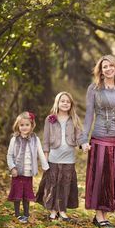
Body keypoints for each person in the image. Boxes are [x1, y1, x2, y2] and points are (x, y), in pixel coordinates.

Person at [82, 55, 115, 228]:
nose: (108, 69)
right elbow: (89, 115)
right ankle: (100, 216)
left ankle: (103, 215)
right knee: (101, 177)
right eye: (104, 67)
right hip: (100, 138)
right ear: (100, 71)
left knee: (113, 177)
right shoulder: (94, 89)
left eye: (110, 66)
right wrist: (84, 139)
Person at [36, 92, 83, 221]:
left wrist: (83, 145)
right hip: (53, 158)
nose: (65, 103)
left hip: (69, 158)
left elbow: (79, 136)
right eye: (63, 101)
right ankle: (52, 211)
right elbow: (45, 140)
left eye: (68, 101)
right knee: (53, 184)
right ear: (57, 103)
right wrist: (45, 157)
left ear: (71, 104)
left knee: (65, 184)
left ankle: (62, 211)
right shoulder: (50, 119)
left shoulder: (74, 119)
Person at [7, 111, 49, 223]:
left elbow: (40, 152)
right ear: (18, 126)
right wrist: (12, 168)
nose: (24, 127)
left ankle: (26, 214)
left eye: (27, 125)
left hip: (28, 173)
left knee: (27, 194)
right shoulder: (14, 139)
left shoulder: (35, 139)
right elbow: (9, 155)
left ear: (31, 125)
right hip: (17, 173)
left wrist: (45, 166)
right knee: (17, 193)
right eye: (22, 125)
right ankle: (17, 214)